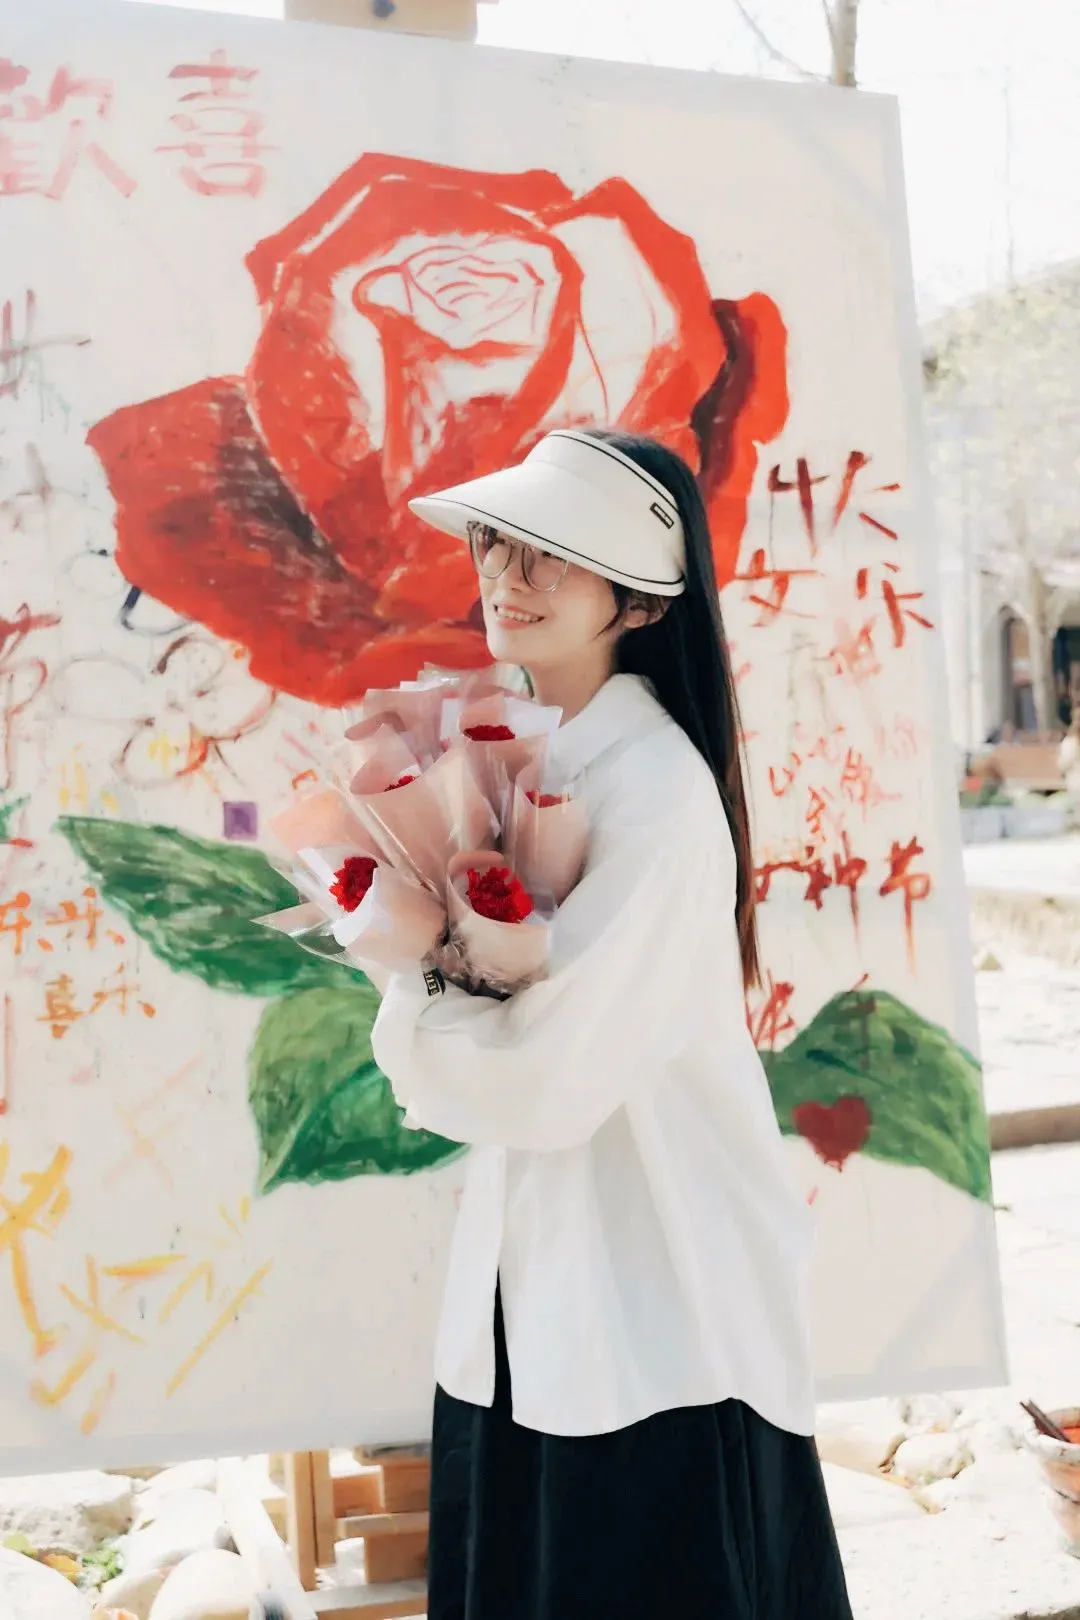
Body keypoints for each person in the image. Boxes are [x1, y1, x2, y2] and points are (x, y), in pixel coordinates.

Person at [371, 428, 853, 1620]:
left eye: (553, 554)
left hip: (651, 1310)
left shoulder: (655, 792)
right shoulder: (535, 769)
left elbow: (546, 1081)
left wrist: (412, 995)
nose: (508, 575)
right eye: (498, 544)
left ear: (639, 603)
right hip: (536, 1300)